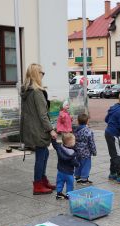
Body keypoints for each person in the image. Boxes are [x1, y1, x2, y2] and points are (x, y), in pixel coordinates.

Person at [20, 63, 57, 195]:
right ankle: (38, 184)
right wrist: (51, 129)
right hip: (38, 129)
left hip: (31, 128)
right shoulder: (36, 92)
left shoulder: (27, 91)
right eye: (42, 73)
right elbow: (43, 114)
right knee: (41, 156)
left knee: (44, 154)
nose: (43, 75)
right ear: (36, 74)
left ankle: (42, 179)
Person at [51, 133, 79, 200]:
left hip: (60, 171)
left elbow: (55, 145)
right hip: (69, 172)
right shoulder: (71, 154)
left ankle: (59, 193)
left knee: (60, 182)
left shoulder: (59, 147)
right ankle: (68, 194)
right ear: (71, 143)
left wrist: (53, 139)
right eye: (74, 141)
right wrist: (78, 164)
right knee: (70, 184)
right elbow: (75, 163)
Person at [74, 113, 96, 185]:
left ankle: (77, 177)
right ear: (87, 121)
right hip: (86, 152)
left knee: (78, 164)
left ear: (78, 121)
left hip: (77, 151)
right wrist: (94, 151)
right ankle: (84, 179)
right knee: (86, 165)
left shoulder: (75, 130)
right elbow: (91, 142)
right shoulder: (88, 131)